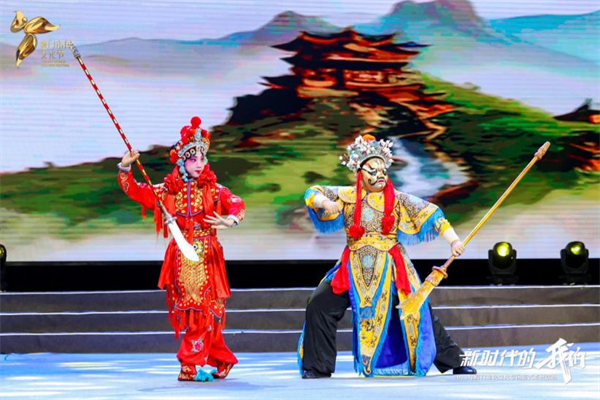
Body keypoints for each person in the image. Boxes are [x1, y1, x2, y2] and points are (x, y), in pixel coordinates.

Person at [298, 134, 476, 378]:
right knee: (318, 304)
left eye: (383, 170)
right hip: (353, 266)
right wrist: (325, 203)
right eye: (373, 170)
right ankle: (317, 367)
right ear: (360, 173)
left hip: (390, 267)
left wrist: (454, 240)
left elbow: (433, 215)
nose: (379, 175)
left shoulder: (398, 200)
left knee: (417, 310)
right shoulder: (347, 196)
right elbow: (312, 192)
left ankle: (455, 361)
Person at [118, 116, 245, 382]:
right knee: (196, 309)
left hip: (208, 256)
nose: (199, 164)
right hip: (183, 256)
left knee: (209, 309)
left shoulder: (214, 190)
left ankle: (205, 361)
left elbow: (236, 203)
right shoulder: (167, 191)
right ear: (182, 162)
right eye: (193, 159)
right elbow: (136, 191)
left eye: (202, 159)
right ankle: (206, 361)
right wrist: (125, 168)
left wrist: (230, 220)